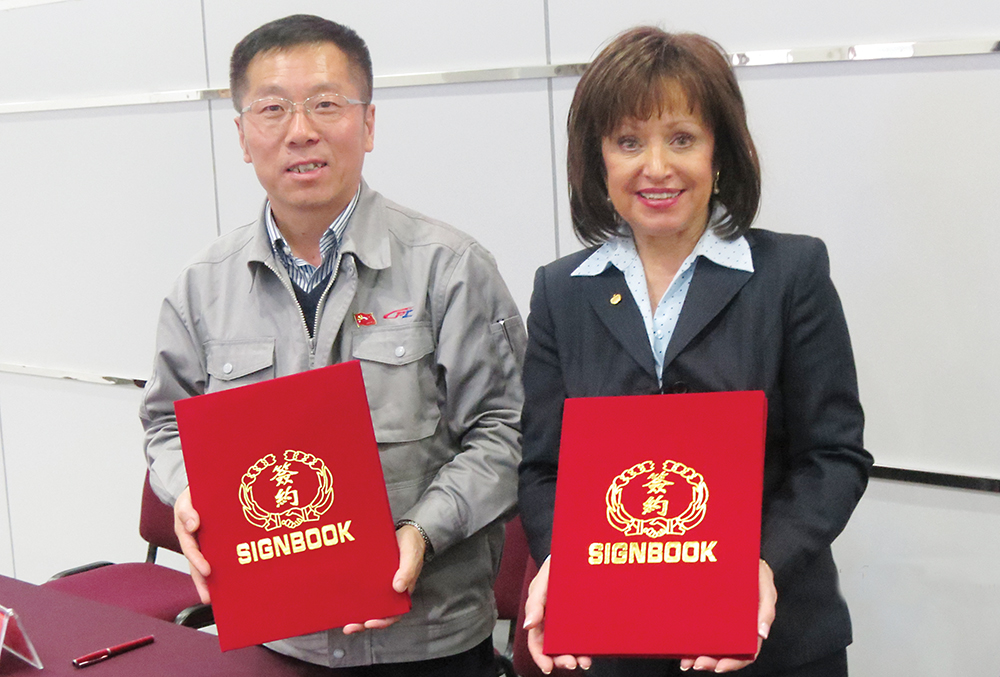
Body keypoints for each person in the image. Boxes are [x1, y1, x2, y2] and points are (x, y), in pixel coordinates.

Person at [140, 14, 525, 675]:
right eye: (272, 109)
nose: (300, 131)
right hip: (277, 638)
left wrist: (422, 530)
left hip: (431, 639)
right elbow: (164, 423)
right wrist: (187, 494)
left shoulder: (450, 267)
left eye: (325, 104)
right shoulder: (202, 287)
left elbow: (508, 428)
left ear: (368, 123)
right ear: (242, 134)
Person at [518, 27, 872, 677]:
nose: (656, 166)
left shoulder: (792, 273)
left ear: (720, 152)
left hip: (777, 637)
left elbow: (834, 455)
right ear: (598, 159)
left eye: (681, 138)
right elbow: (543, 469)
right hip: (613, 642)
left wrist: (762, 564)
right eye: (629, 141)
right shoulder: (560, 292)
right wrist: (557, 564)